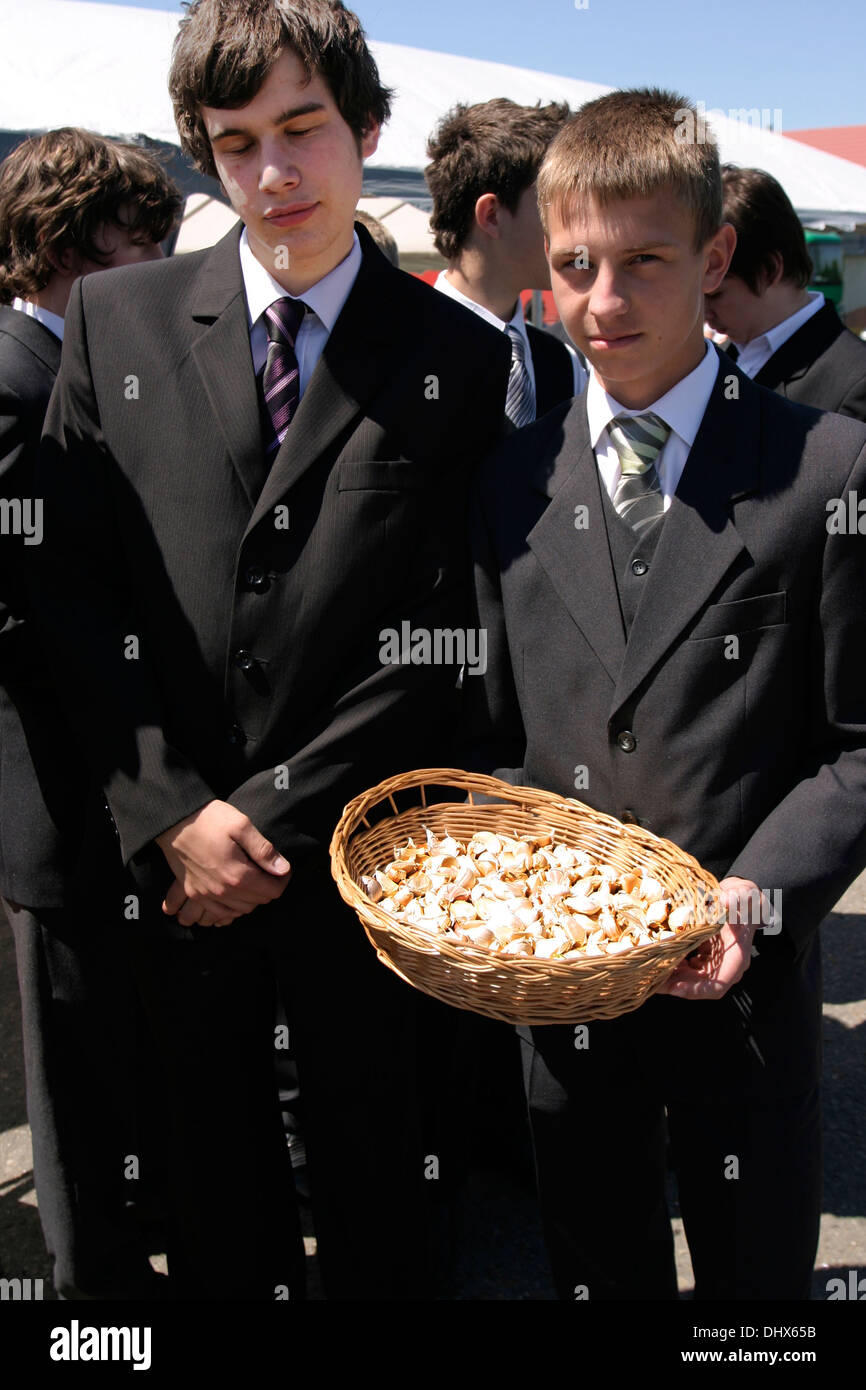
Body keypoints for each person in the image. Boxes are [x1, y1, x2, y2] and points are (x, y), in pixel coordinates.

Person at [32, 0, 510, 1301]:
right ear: (203, 154)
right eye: (236, 144)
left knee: (379, 1189)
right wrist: (169, 811)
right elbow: (68, 592)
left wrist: (263, 816)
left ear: (366, 130)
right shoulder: (116, 323)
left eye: (302, 130)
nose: (275, 175)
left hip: (365, 859)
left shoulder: (458, 362)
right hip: (168, 873)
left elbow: (455, 628)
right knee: (208, 1191)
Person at [471, 87, 866, 1300]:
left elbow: (856, 744)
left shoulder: (822, 466)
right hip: (563, 995)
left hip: (740, 993)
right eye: (577, 264)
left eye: (643, 261)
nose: (604, 299)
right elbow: (485, 735)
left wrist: (754, 897)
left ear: (712, 256)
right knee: (594, 1262)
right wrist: (502, 892)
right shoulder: (506, 481)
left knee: (752, 1295)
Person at [0, 127, 181, 1297]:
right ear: (74, 240)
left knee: (114, 1046)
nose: (163, 259)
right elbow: (31, 612)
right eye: (143, 237)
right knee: (70, 1069)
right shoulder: (13, 379)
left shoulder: (64, 363)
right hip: (58, 795)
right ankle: (92, 1295)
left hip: (105, 788)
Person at [426, 99, 586, 426]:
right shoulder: (399, 351)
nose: (574, 227)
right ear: (492, 215)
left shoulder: (563, 364)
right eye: (552, 204)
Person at [704, 164, 866, 419]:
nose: (704, 313)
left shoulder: (856, 382)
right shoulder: (717, 362)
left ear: (769, 270)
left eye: (715, 295)